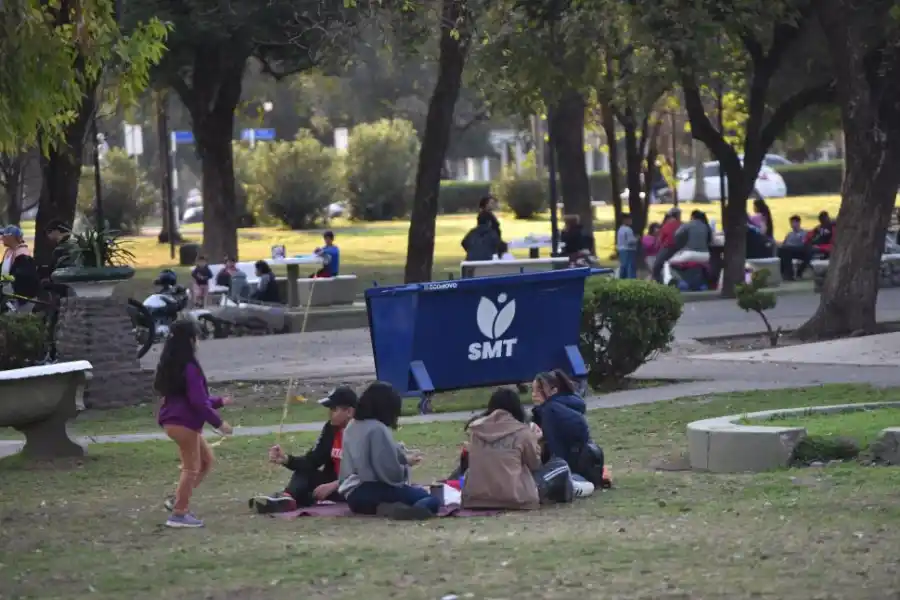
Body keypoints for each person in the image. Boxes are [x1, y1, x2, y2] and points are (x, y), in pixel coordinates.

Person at [155, 320, 234, 528]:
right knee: (191, 468)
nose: (198, 342)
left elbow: (193, 397)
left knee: (206, 461)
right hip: (183, 423)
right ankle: (179, 513)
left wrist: (218, 402)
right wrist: (219, 424)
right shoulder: (189, 367)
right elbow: (198, 402)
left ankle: (177, 499)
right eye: (197, 337)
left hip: (174, 421)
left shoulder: (172, 364)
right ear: (190, 340)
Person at [339, 381, 441, 520]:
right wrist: (406, 465)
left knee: (398, 496)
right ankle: (413, 511)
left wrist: (403, 457)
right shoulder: (377, 429)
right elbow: (389, 473)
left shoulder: (352, 425)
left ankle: (387, 508)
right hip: (371, 489)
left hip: (352, 496)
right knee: (430, 500)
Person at [461, 387, 576, 510]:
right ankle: (576, 488)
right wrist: (535, 440)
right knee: (560, 465)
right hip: (515, 498)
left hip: (476, 499)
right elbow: (535, 465)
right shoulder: (521, 431)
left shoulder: (476, 430)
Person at [249, 386, 358, 514]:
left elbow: (363, 471)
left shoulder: (362, 432)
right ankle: (286, 500)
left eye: (334, 409)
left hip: (353, 487)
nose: (330, 413)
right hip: (333, 485)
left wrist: (335, 484)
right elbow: (312, 460)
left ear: (350, 411)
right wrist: (286, 459)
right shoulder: (331, 429)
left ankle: (291, 500)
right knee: (304, 472)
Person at [531, 370, 605, 492]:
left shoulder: (550, 410)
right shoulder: (570, 403)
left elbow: (558, 449)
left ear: (554, 391)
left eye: (539, 390)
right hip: (587, 465)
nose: (534, 395)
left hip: (571, 469)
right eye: (532, 390)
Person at [1, 225, 39, 304]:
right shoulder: (9, 251)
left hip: (19, 298)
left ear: (11, 237)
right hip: (7, 293)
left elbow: (23, 277)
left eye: (4, 236)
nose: (1, 238)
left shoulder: (22, 253)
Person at [651, 207, 682, 283]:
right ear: (678, 215)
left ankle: (659, 282)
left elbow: (660, 239)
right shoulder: (682, 225)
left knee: (657, 266)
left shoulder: (667, 225)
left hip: (667, 248)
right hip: (680, 249)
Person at [777, 215, 810, 281]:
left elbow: (804, 244)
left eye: (794, 222)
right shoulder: (789, 234)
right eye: (791, 223)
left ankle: (789, 274)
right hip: (788, 251)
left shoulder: (804, 233)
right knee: (781, 251)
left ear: (799, 223)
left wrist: (787, 247)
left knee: (785, 251)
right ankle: (786, 274)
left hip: (799, 251)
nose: (792, 225)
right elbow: (784, 244)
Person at [616, 213, 638, 279]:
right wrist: (636, 239)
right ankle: (631, 280)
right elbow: (630, 241)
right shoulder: (628, 229)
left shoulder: (620, 229)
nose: (631, 221)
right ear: (625, 220)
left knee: (623, 266)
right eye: (629, 219)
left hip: (621, 250)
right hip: (629, 250)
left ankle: (622, 279)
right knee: (630, 267)